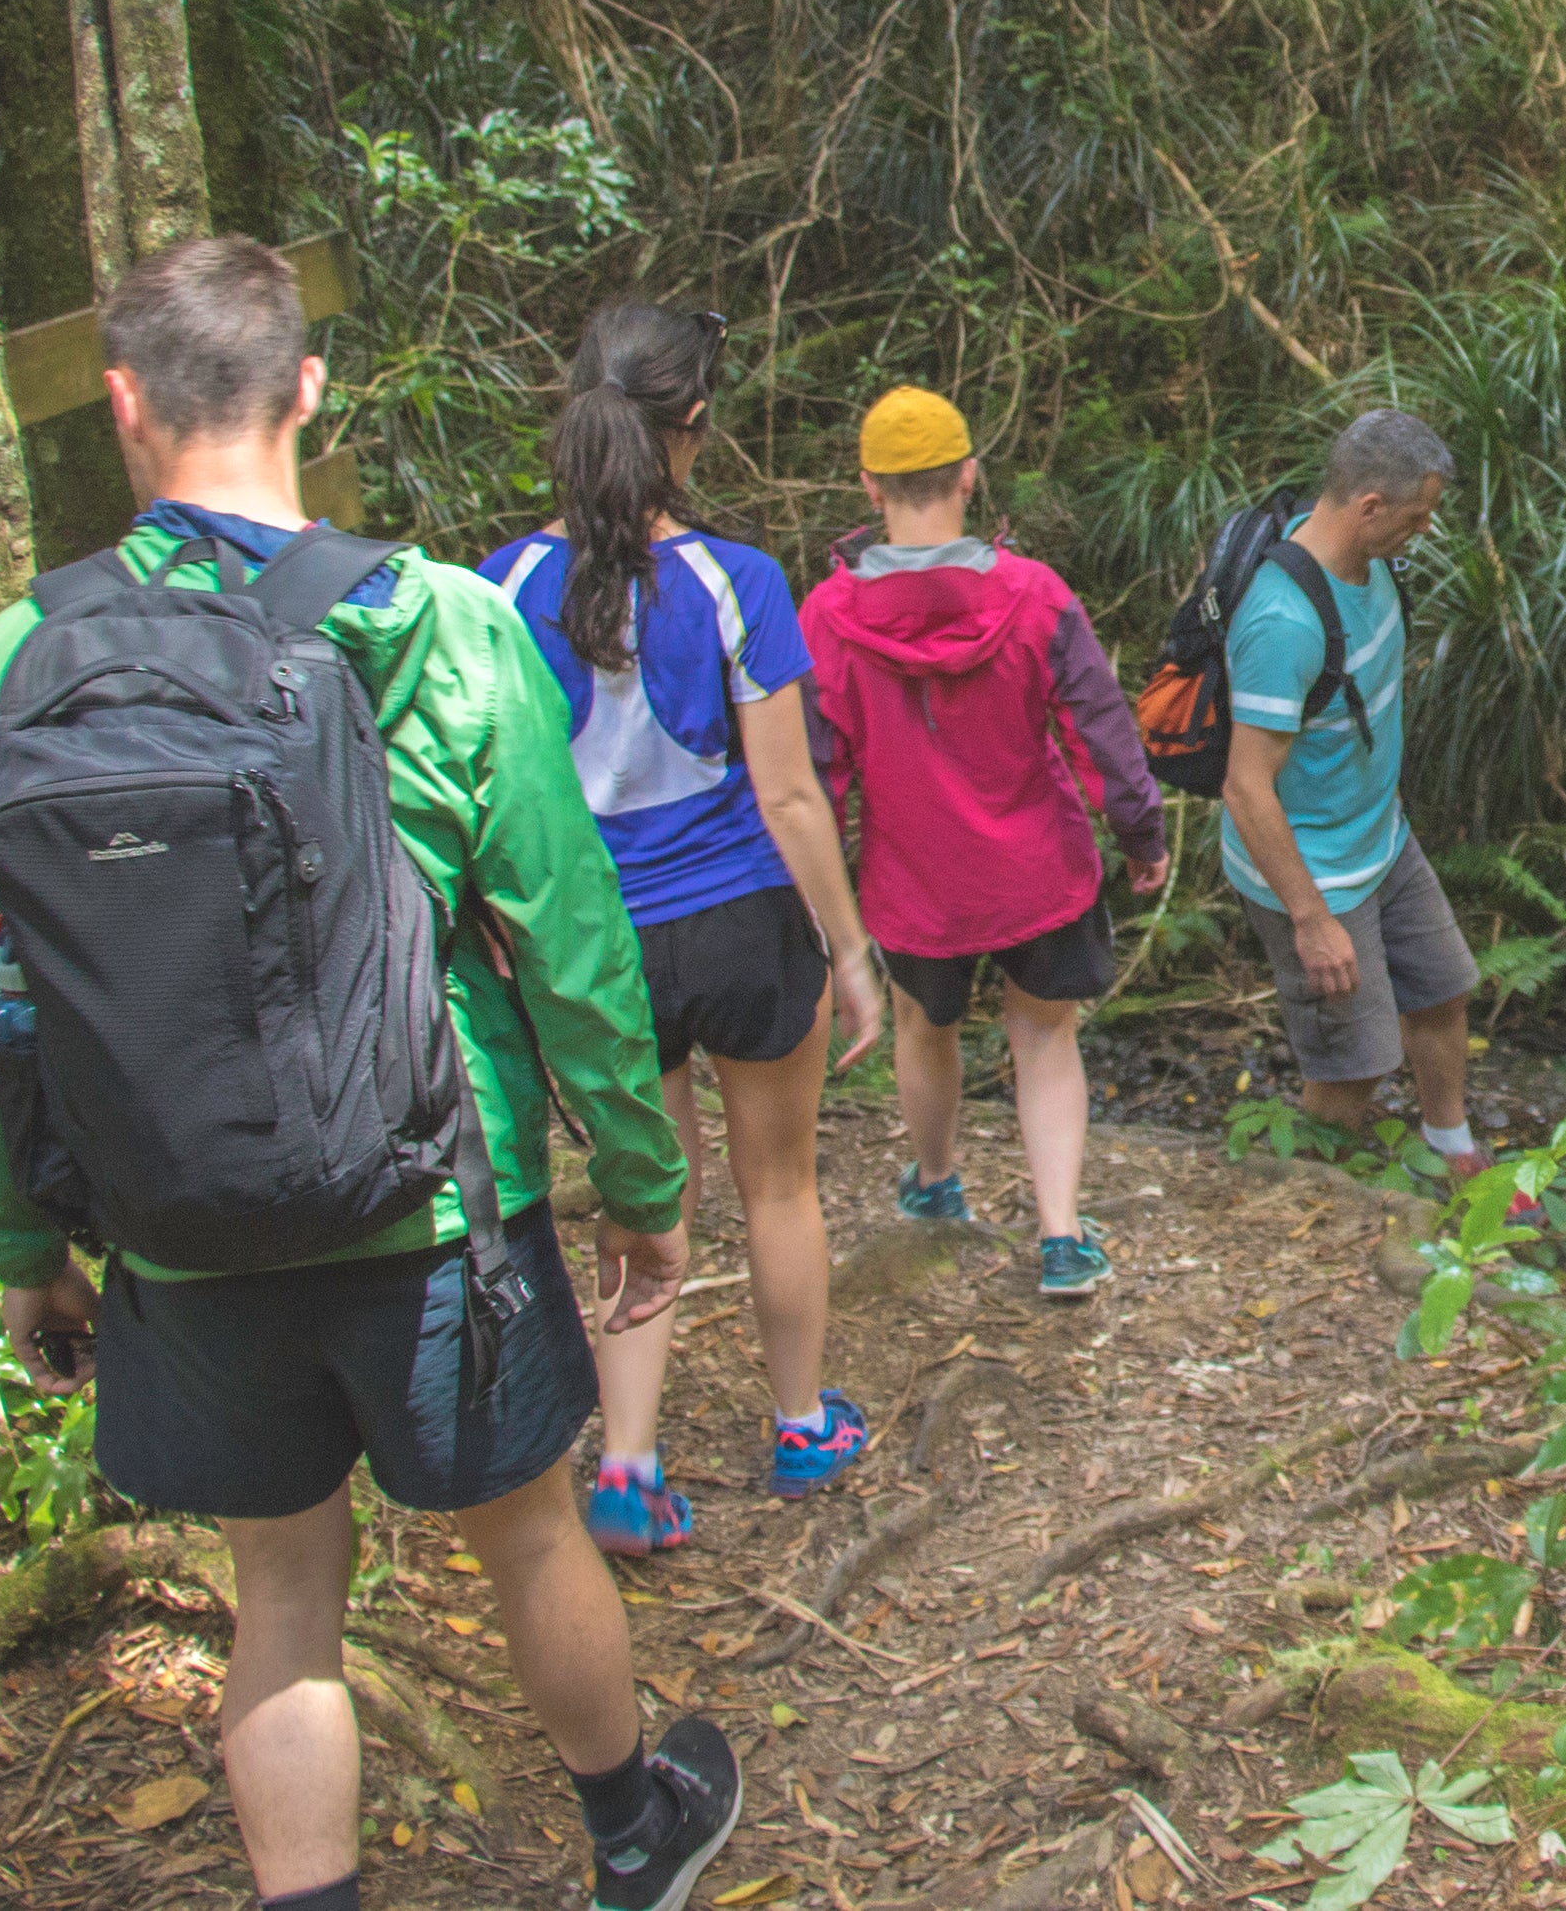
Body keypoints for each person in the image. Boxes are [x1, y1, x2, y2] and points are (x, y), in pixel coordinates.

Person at [0, 237, 739, 1911]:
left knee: (280, 1596)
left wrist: (21, 1250)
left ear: (124, 405)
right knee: (525, 1531)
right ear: (308, 389)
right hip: (433, 1194)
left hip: (175, 1226)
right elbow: (571, 945)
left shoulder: (12, 665)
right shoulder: (426, 622)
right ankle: (634, 1831)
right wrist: (646, 1191)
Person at [478, 303, 888, 1558]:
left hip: (601, 952)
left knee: (646, 1196)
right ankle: (802, 1421)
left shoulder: (501, 586)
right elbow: (786, 793)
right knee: (782, 1185)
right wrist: (853, 950)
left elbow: (495, 796)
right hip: (746, 927)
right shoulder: (737, 581)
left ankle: (628, 1466)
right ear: (690, 426)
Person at [799, 387, 1167, 1297]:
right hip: (1037, 869)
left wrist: (816, 899)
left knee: (925, 1026)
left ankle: (936, 1184)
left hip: (913, 881)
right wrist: (1138, 830)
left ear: (869, 484)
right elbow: (1100, 725)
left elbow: (817, 772)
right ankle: (1060, 1235)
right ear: (969, 474)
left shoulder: (830, 617)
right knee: (1045, 1038)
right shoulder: (1033, 595)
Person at [1217, 409, 1487, 1175]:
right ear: (1369, 507)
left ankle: (1451, 1151)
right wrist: (1311, 919)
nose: (1424, 532)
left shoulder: (1367, 558)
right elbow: (1245, 786)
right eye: (1416, 516)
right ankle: (1319, 1196)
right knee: (1353, 1062)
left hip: (1380, 838)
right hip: (1315, 872)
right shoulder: (1282, 621)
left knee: (1442, 989)